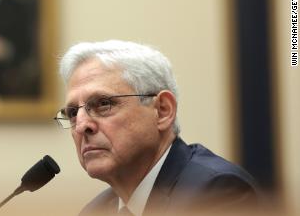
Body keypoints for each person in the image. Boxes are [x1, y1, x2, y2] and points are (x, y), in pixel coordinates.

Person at [54, 40, 260, 215]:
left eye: (102, 104)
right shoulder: (95, 211)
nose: (81, 126)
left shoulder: (215, 193)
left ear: (162, 110)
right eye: (73, 113)